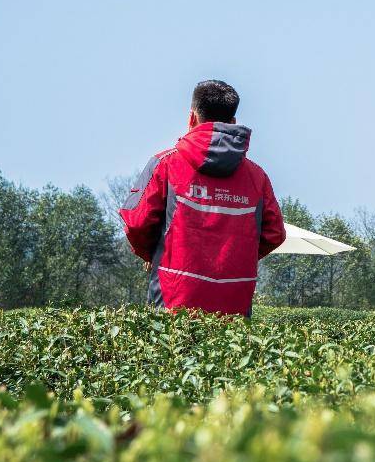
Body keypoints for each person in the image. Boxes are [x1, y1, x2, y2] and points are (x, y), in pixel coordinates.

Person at [119, 80, 285, 316]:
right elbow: (275, 234)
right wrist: (237, 255)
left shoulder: (165, 164)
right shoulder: (257, 177)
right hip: (234, 307)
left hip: (172, 302)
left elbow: (135, 223)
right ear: (233, 123)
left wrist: (153, 255)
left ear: (191, 118)